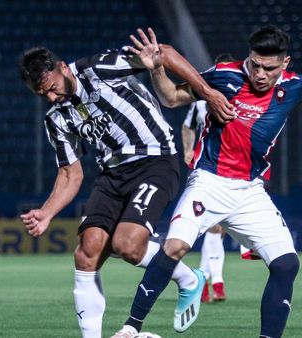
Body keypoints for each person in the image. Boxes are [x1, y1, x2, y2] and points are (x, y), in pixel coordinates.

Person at [115, 25, 302, 338]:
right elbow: (171, 98)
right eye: (254, 64)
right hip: (209, 181)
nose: (260, 74)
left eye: (269, 68)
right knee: (174, 247)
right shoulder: (225, 75)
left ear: (285, 63)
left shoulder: (294, 86)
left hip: (250, 191)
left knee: (287, 264)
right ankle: (131, 329)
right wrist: (156, 69)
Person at [17, 28, 233, 338]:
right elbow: (70, 173)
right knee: (86, 251)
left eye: (52, 88)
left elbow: (165, 52)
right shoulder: (57, 118)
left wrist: (208, 93)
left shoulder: (98, 69)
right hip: (112, 175)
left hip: (155, 160)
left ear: (62, 67)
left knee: (127, 246)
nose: (52, 97)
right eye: (43, 95)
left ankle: (188, 278)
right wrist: (47, 212)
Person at [182, 53, 235, 303]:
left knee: (218, 230)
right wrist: (187, 149)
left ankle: (205, 279)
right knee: (212, 226)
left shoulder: (238, 98)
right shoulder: (201, 101)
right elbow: (187, 126)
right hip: (205, 166)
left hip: (232, 169)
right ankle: (216, 282)